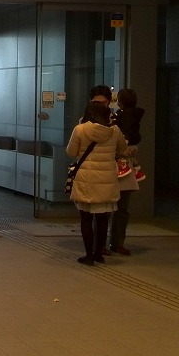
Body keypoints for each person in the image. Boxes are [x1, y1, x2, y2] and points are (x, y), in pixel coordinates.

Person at [66, 100, 128, 266]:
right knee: (102, 219)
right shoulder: (115, 131)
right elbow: (122, 149)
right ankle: (98, 253)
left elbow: (71, 152)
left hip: (86, 179)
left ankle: (88, 255)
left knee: (86, 219)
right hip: (107, 179)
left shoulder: (80, 129)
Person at [108, 88, 145, 256]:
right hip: (127, 168)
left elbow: (120, 142)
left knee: (106, 208)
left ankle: (103, 243)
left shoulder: (121, 118)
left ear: (120, 101)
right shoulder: (135, 116)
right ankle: (117, 243)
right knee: (122, 209)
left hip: (115, 166)